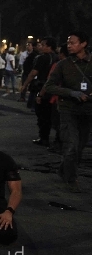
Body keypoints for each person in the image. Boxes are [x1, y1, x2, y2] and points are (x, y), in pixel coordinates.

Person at [43, 32, 92, 192]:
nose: (69, 45)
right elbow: (49, 86)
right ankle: (71, 179)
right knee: (72, 146)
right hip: (68, 110)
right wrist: (71, 93)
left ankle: (64, 169)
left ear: (84, 44)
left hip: (87, 111)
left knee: (80, 147)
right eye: (68, 42)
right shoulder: (62, 64)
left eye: (73, 42)